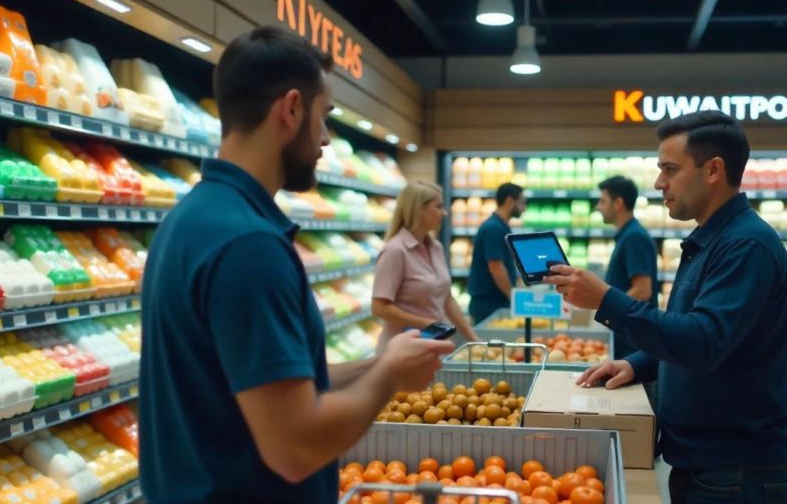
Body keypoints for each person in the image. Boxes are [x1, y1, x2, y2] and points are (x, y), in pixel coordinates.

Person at [139, 26, 454, 503]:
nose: (326, 139)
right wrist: (389, 376)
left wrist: (379, 363)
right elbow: (295, 446)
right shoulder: (248, 245)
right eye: (324, 116)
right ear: (291, 109)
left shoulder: (191, 219)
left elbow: (264, 390)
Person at [546, 111, 787, 504]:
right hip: (708, 464)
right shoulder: (711, 241)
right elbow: (693, 330)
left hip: (737, 472)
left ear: (713, 169)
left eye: (669, 169)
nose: (658, 182)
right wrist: (638, 363)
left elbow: (702, 342)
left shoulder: (746, 246)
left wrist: (606, 299)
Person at [372, 181, 479, 352]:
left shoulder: (436, 248)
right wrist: (427, 323)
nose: (444, 213)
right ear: (419, 209)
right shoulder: (395, 251)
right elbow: (379, 307)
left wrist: (473, 339)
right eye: (438, 207)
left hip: (434, 345)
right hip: (402, 351)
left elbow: (447, 299)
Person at [596, 175, 659, 359]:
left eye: (602, 201)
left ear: (618, 203)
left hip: (633, 338)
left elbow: (642, 290)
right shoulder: (627, 234)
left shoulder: (634, 237)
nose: (598, 207)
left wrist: (609, 308)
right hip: (628, 332)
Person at [467, 183, 526, 324]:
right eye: (522, 202)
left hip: (494, 302)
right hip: (489, 304)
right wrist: (512, 297)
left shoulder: (500, 226)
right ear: (510, 201)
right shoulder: (493, 229)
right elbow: (496, 267)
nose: (524, 207)